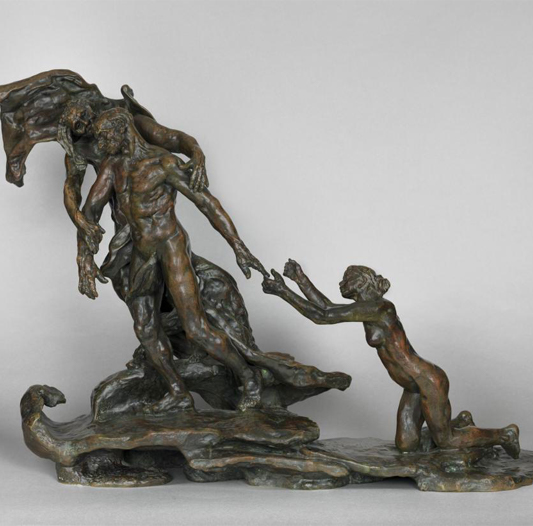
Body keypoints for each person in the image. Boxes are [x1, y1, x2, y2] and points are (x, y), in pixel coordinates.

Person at [80, 107, 268, 412]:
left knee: (195, 328)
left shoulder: (163, 163)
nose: (100, 145)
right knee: (145, 329)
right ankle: (178, 391)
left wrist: (239, 247)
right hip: (142, 253)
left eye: (104, 137)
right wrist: (84, 257)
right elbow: (89, 213)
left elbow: (207, 204)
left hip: (171, 248)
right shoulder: (113, 167)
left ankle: (249, 377)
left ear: (121, 130)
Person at [262, 259, 521, 458]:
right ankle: (460, 422)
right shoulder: (366, 309)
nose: (341, 283)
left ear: (360, 283)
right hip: (412, 386)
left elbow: (324, 315)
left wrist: (283, 291)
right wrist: (300, 279)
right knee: (406, 446)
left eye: (346, 279)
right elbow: (327, 307)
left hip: (428, 381)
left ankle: (504, 434)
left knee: (448, 441)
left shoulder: (381, 308)